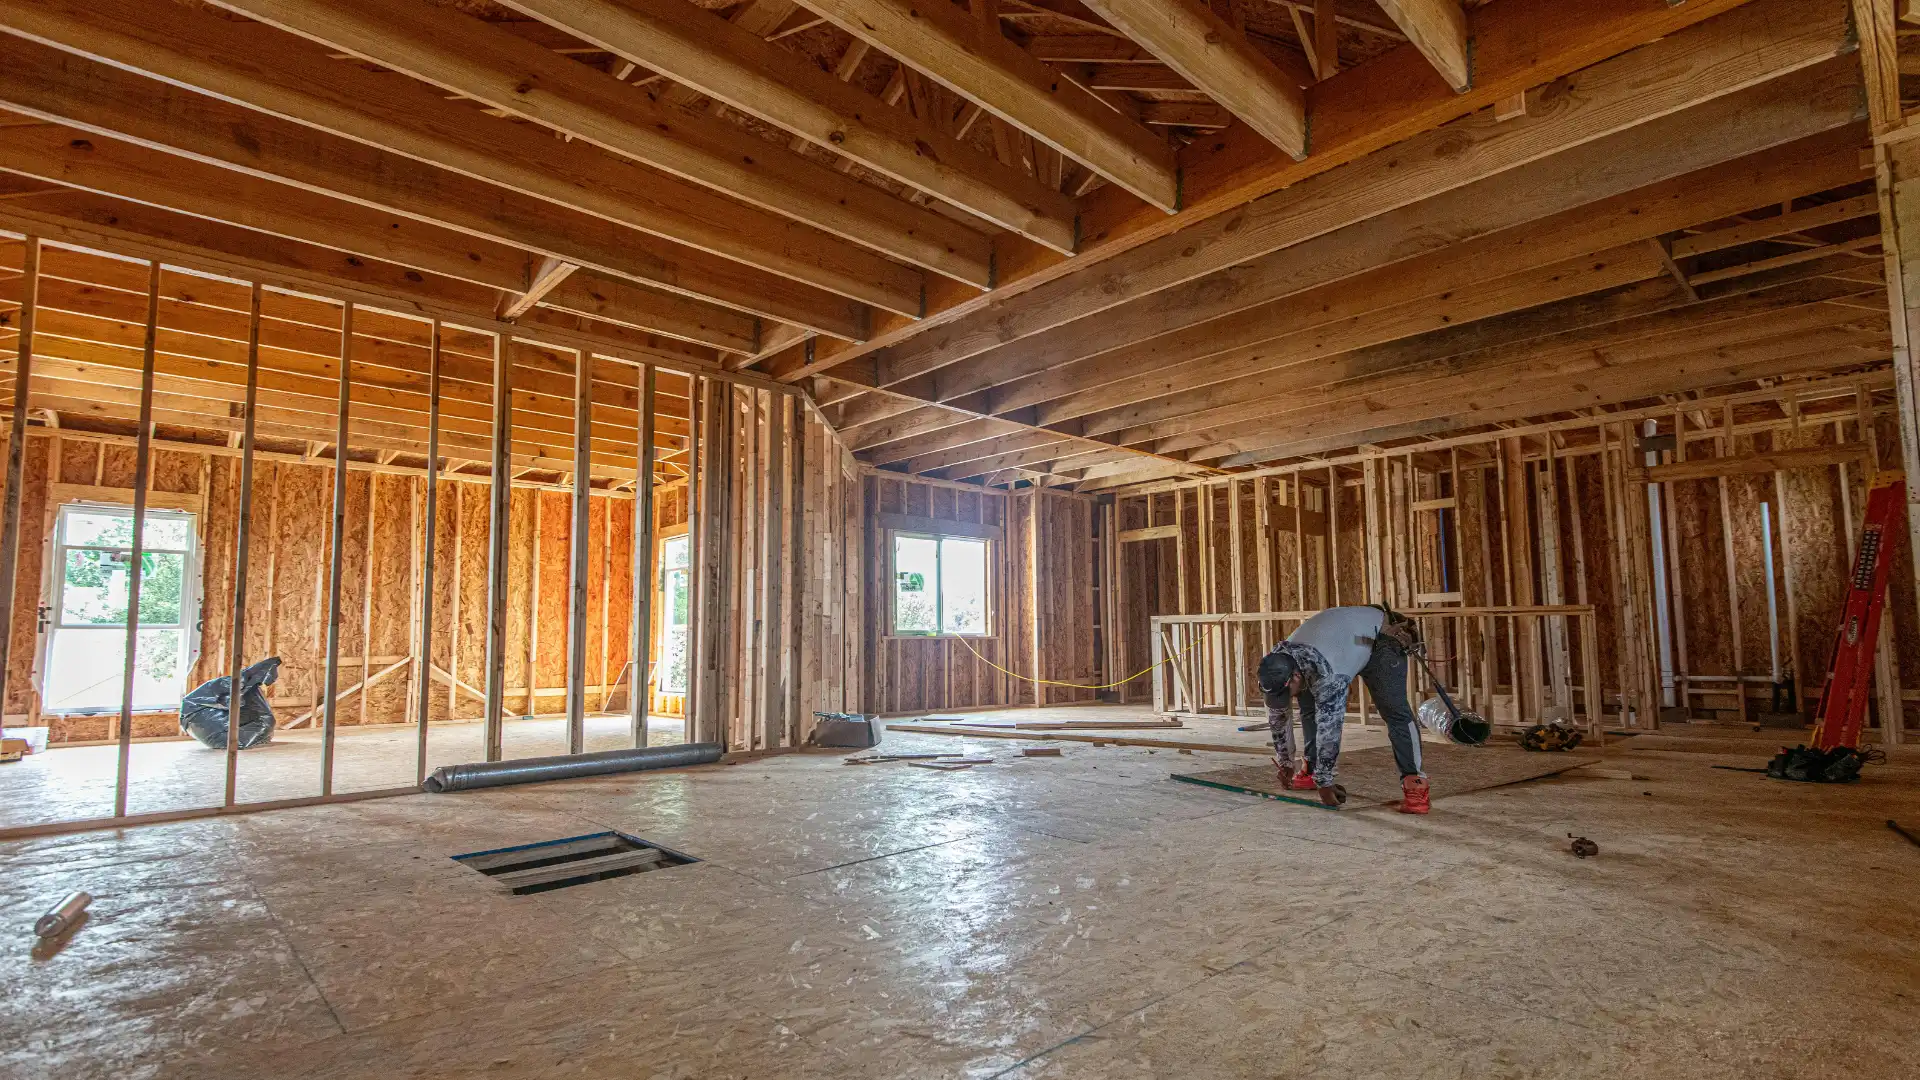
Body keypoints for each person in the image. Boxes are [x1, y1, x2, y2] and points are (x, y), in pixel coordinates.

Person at [1256, 605, 1431, 814]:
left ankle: (1415, 785)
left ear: (1294, 676)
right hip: (1343, 640)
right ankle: (1311, 768)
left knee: (1394, 711)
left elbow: (1330, 728)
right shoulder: (1277, 664)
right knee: (1307, 702)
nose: (1283, 700)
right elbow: (1278, 718)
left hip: (1380, 639)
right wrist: (1285, 762)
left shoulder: (1329, 674)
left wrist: (1326, 783)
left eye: (1285, 692)